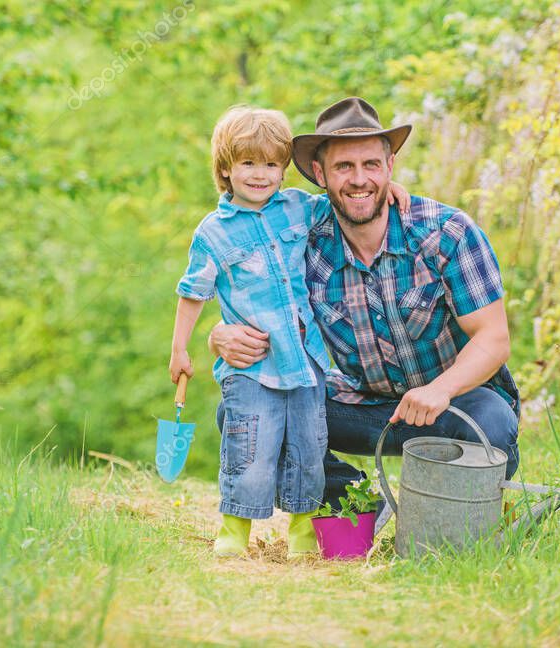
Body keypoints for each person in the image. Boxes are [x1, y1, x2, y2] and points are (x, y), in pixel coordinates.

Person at [209, 97, 520, 509]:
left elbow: (493, 339)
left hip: (453, 403)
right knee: (242, 410)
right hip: (364, 404)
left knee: (492, 420)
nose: (359, 180)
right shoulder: (302, 241)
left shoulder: (446, 232)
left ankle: (452, 519)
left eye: (371, 164)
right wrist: (220, 334)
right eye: (344, 167)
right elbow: (250, 287)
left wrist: (439, 390)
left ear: (390, 166)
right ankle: (361, 504)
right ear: (320, 174)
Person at [169, 105, 409, 557]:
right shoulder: (214, 233)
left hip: (305, 360)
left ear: (283, 169)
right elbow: (193, 292)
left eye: (270, 164)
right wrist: (181, 348)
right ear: (225, 168)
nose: (260, 174)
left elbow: (350, 201)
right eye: (248, 163)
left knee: (308, 449)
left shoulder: (299, 209)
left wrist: (385, 190)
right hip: (254, 364)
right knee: (249, 449)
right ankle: (234, 531)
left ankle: (302, 532)